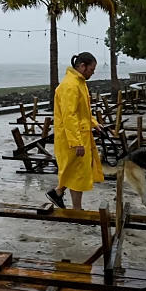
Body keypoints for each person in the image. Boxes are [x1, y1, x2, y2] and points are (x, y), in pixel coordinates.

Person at [45, 52, 104, 210]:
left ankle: (58, 193)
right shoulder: (70, 85)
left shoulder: (79, 82)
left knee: (76, 173)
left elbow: (82, 111)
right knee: (77, 174)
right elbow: (69, 116)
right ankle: (76, 209)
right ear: (82, 66)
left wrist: (94, 123)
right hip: (71, 138)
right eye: (91, 69)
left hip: (80, 135)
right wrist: (76, 142)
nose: (92, 72)